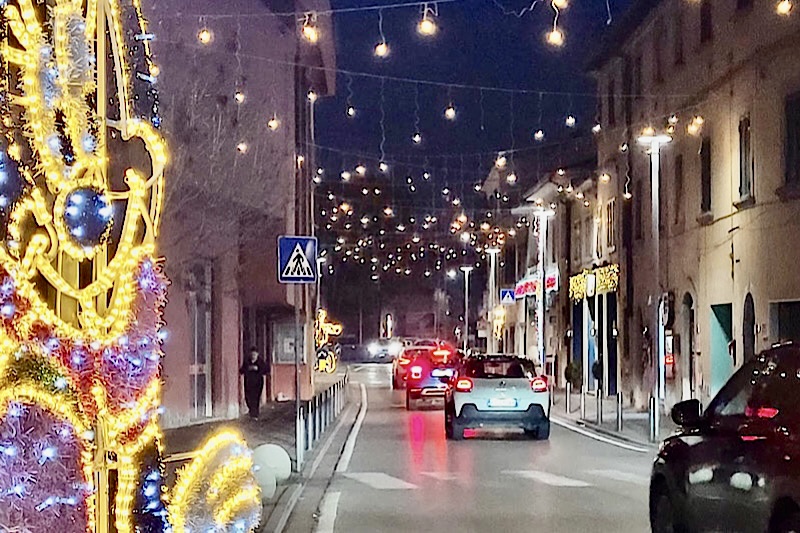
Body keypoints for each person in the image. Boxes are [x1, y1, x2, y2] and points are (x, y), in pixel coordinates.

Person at [240, 347, 267, 419]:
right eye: (252, 354)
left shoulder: (260, 362)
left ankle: (255, 414)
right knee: (248, 398)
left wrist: (258, 369)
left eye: (254, 354)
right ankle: (251, 411)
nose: (253, 356)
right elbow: (241, 370)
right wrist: (248, 369)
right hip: (248, 383)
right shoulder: (247, 362)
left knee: (256, 398)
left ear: (257, 354)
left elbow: (265, 370)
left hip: (258, 383)